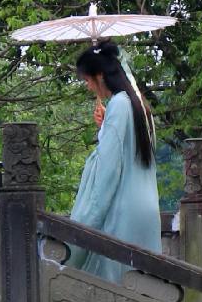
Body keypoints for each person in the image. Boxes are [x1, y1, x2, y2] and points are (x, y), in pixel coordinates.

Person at [65, 39, 161, 276]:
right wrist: (105, 127)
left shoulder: (119, 104)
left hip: (123, 211)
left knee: (113, 286)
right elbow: (128, 148)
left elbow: (108, 171)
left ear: (99, 75)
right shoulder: (138, 104)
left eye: (87, 80)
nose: (88, 87)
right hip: (146, 208)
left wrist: (87, 219)